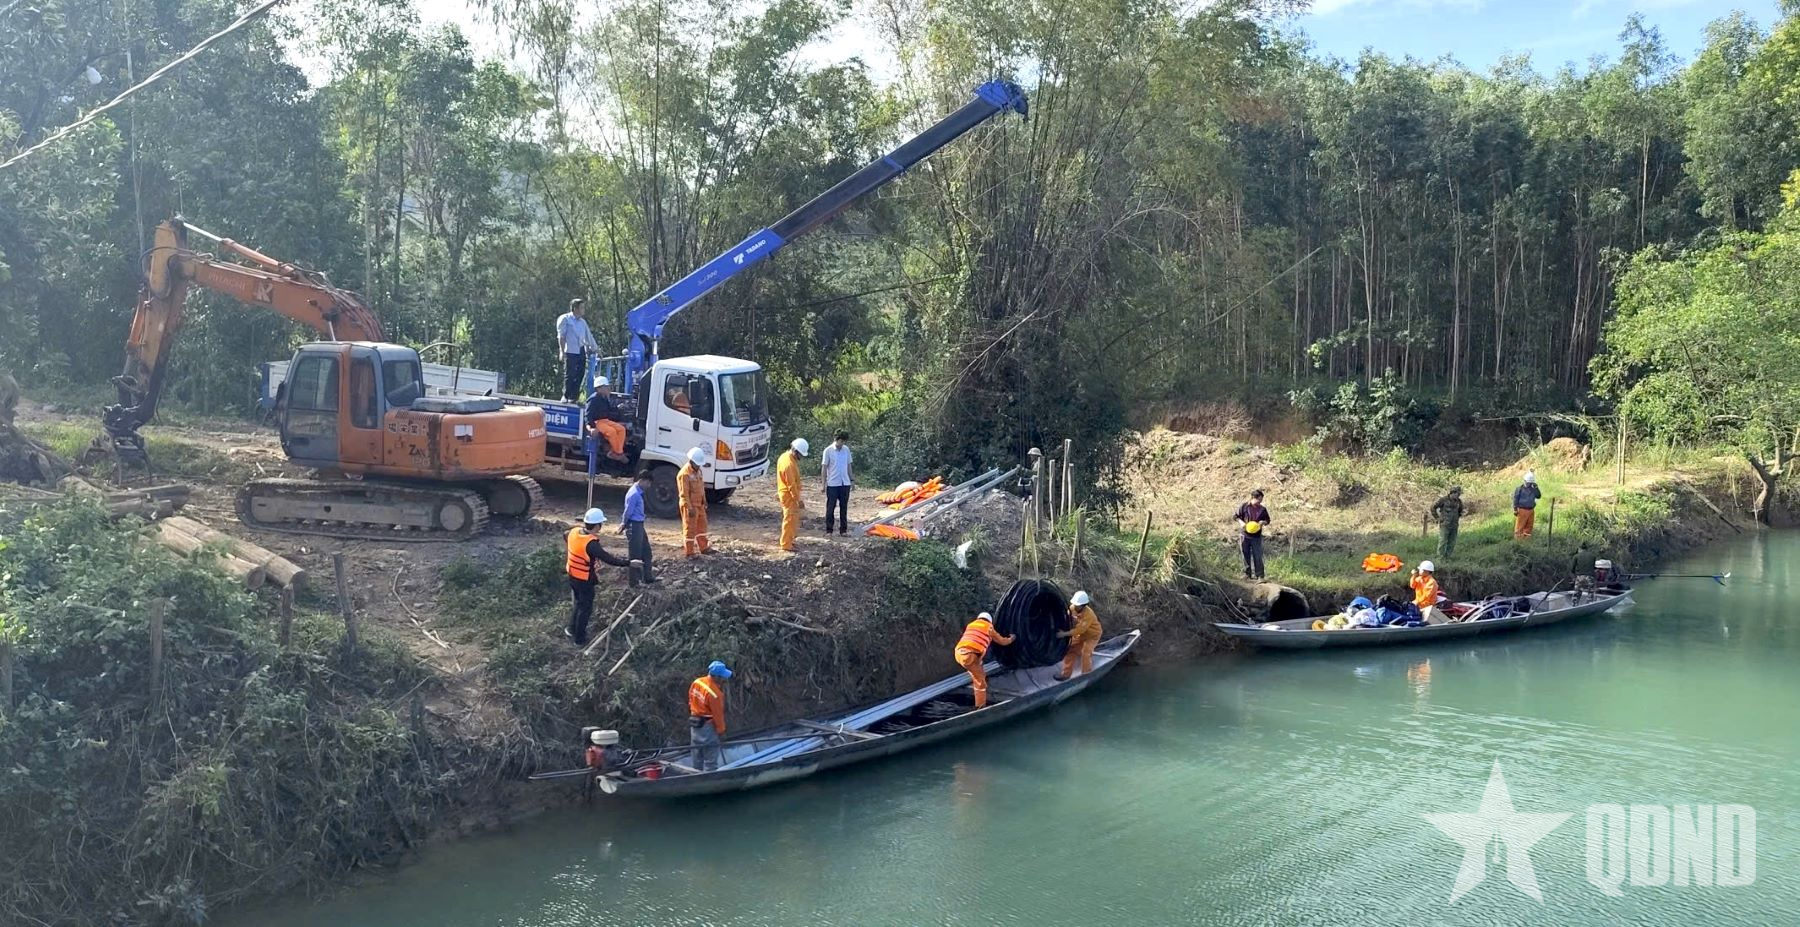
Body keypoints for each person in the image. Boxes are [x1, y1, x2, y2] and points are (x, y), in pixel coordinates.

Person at [565, 507, 631, 645]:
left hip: (572, 574)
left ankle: (571, 629)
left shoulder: (574, 532)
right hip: (584, 579)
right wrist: (628, 563)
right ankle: (579, 639)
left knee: (579, 603)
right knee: (585, 609)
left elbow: (565, 535)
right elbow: (609, 559)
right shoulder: (591, 544)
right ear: (596, 525)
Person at [954, 611, 1015, 709]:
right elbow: (1002, 641)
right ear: (989, 621)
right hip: (969, 655)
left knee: (978, 669)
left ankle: (978, 690)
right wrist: (1011, 639)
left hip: (959, 653)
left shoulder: (971, 625)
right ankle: (980, 707)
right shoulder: (989, 627)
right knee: (980, 683)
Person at [688, 661, 731, 771]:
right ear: (716, 676)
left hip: (694, 724)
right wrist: (721, 732)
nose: (724, 679)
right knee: (710, 760)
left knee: (696, 756)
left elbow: (690, 700)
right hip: (707, 728)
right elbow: (718, 716)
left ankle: (695, 776)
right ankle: (710, 777)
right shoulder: (715, 694)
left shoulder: (697, 682)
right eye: (722, 677)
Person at [557, 297, 601, 402]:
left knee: (580, 373)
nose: (583, 310)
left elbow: (588, 336)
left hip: (580, 349)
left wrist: (596, 349)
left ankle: (574, 396)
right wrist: (561, 351)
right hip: (570, 349)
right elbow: (561, 336)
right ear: (575, 309)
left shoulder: (582, 322)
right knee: (570, 373)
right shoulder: (565, 319)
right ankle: (566, 395)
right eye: (581, 308)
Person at [1054, 590, 1102, 681]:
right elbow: (1066, 618)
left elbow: (1080, 629)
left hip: (1092, 636)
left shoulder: (1089, 615)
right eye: (1075, 604)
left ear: (1083, 605)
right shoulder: (1072, 608)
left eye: (1078, 605)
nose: (1075, 606)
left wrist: (1064, 634)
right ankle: (1066, 674)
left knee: (1085, 653)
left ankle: (1086, 675)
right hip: (1081, 635)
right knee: (1070, 649)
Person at [622, 469, 656, 584]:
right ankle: (634, 582)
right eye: (648, 483)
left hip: (639, 524)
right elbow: (628, 512)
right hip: (634, 525)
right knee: (635, 555)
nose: (649, 486)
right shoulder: (634, 494)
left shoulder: (638, 492)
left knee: (646, 551)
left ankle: (648, 577)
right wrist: (623, 524)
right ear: (642, 480)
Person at [678, 447, 712, 557]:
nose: (699, 466)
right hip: (691, 505)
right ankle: (689, 552)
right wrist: (689, 508)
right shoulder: (684, 474)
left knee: (702, 526)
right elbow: (684, 494)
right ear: (692, 461)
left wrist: (704, 501)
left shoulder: (698, 472)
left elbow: (701, 487)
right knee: (690, 529)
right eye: (697, 464)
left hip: (699, 504)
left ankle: (704, 547)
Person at [584, 375, 628, 461]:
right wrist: (591, 428)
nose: (608, 388)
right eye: (606, 386)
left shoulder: (604, 398)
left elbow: (609, 410)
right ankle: (619, 453)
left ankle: (615, 452)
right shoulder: (593, 399)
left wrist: (618, 408)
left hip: (605, 421)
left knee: (621, 429)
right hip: (597, 422)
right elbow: (588, 415)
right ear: (599, 388)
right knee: (612, 432)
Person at [776, 438, 808, 552]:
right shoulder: (788, 464)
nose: (801, 457)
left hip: (789, 494)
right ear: (795, 451)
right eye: (800, 455)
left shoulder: (785, 457)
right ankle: (786, 544)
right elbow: (791, 485)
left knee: (793, 519)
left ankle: (790, 540)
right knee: (789, 519)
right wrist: (798, 499)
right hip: (789, 495)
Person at [1233, 489, 1271, 580]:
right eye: (1259, 500)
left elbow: (1268, 520)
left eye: (1261, 500)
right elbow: (1235, 516)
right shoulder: (1244, 506)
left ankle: (1260, 576)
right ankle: (1247, 574)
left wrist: (1263, 522)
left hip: (1256, 536)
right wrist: (1241, 522)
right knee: (1245, 554)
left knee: (1257, 555)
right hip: (1244, 534)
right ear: (1253, 497)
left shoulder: (1262, 509)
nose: (1260, 502)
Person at [821, 432, 852, 535]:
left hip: (845, 483)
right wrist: (823, 484)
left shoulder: (846, 450)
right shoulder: (828, 450)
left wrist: (852, 479)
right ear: (836, 439)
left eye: (844, 441)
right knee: (830, 508)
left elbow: (849, 465)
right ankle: (829, 530)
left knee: (844, 508)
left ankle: (843, 530)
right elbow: (824, 467)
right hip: (833, 484)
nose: (842, 443)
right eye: (841, 441)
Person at [1430, 486, 1464, 559]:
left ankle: (1448, 557)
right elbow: (1433, 507)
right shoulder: (1443, 500)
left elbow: (1461, 510)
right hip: (1445, 524)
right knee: (1443, 541)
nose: (1458, 496)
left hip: (1454, 525)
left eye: (1459, 494)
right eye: (1457, 494)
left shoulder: (1459, 502)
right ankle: (1440, 558)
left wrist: (1458, 516)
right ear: (1452, 493)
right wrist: (1437, 518)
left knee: (1452, 542)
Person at [1410, 560, 1447, 625]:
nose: (1419, 571)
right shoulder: (1419, 578)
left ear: (1426, 571)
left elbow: (1426, 596)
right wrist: (1413, 576)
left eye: (1421, 569)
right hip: (1419, 603)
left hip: (1428, 605)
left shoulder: (1432, 582)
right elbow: (1412, 585)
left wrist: (1416, 602)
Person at [1513, 471, 1542, 539]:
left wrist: (1536, 488)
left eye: (1530, 483)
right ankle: (1518, 541)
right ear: (1524, 480)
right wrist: (1515, 509)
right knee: (1520, 527)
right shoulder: (1519, 489)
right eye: (1527, 482)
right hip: (1522, 510)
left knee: (1529, 526)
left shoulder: (1533, 489)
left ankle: (1526, 540)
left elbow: (1538, 496)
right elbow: (1515, 499)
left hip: (1531, 510)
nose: (1528, 484)